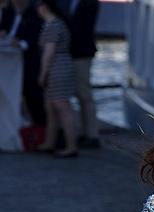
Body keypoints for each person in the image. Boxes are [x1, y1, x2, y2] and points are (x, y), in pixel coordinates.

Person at [36, 0, 78, 157]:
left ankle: (71, 146)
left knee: (62, 106)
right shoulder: (55, 24)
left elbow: (49, 52)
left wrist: (42, 73)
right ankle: (50, 142)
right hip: (59, 67)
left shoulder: (53, 25)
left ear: (45, 6)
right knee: (50, 107)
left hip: (57, 68)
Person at [0, 0, 45, 125]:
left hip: (28, 61)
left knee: (33, 95)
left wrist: (20, 43)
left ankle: (40, 127)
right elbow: (4, 27)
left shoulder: (33, 12)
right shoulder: (8, 11)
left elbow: (35, 36)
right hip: (8, 62)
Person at [66, 0, 100, 148]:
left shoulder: (89, 3)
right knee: (81, 95)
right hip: (77, 52)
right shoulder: (76, 3)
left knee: (85, 94)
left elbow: (83, 28)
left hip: (81, 53)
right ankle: (85, 133)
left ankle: (92, 135)